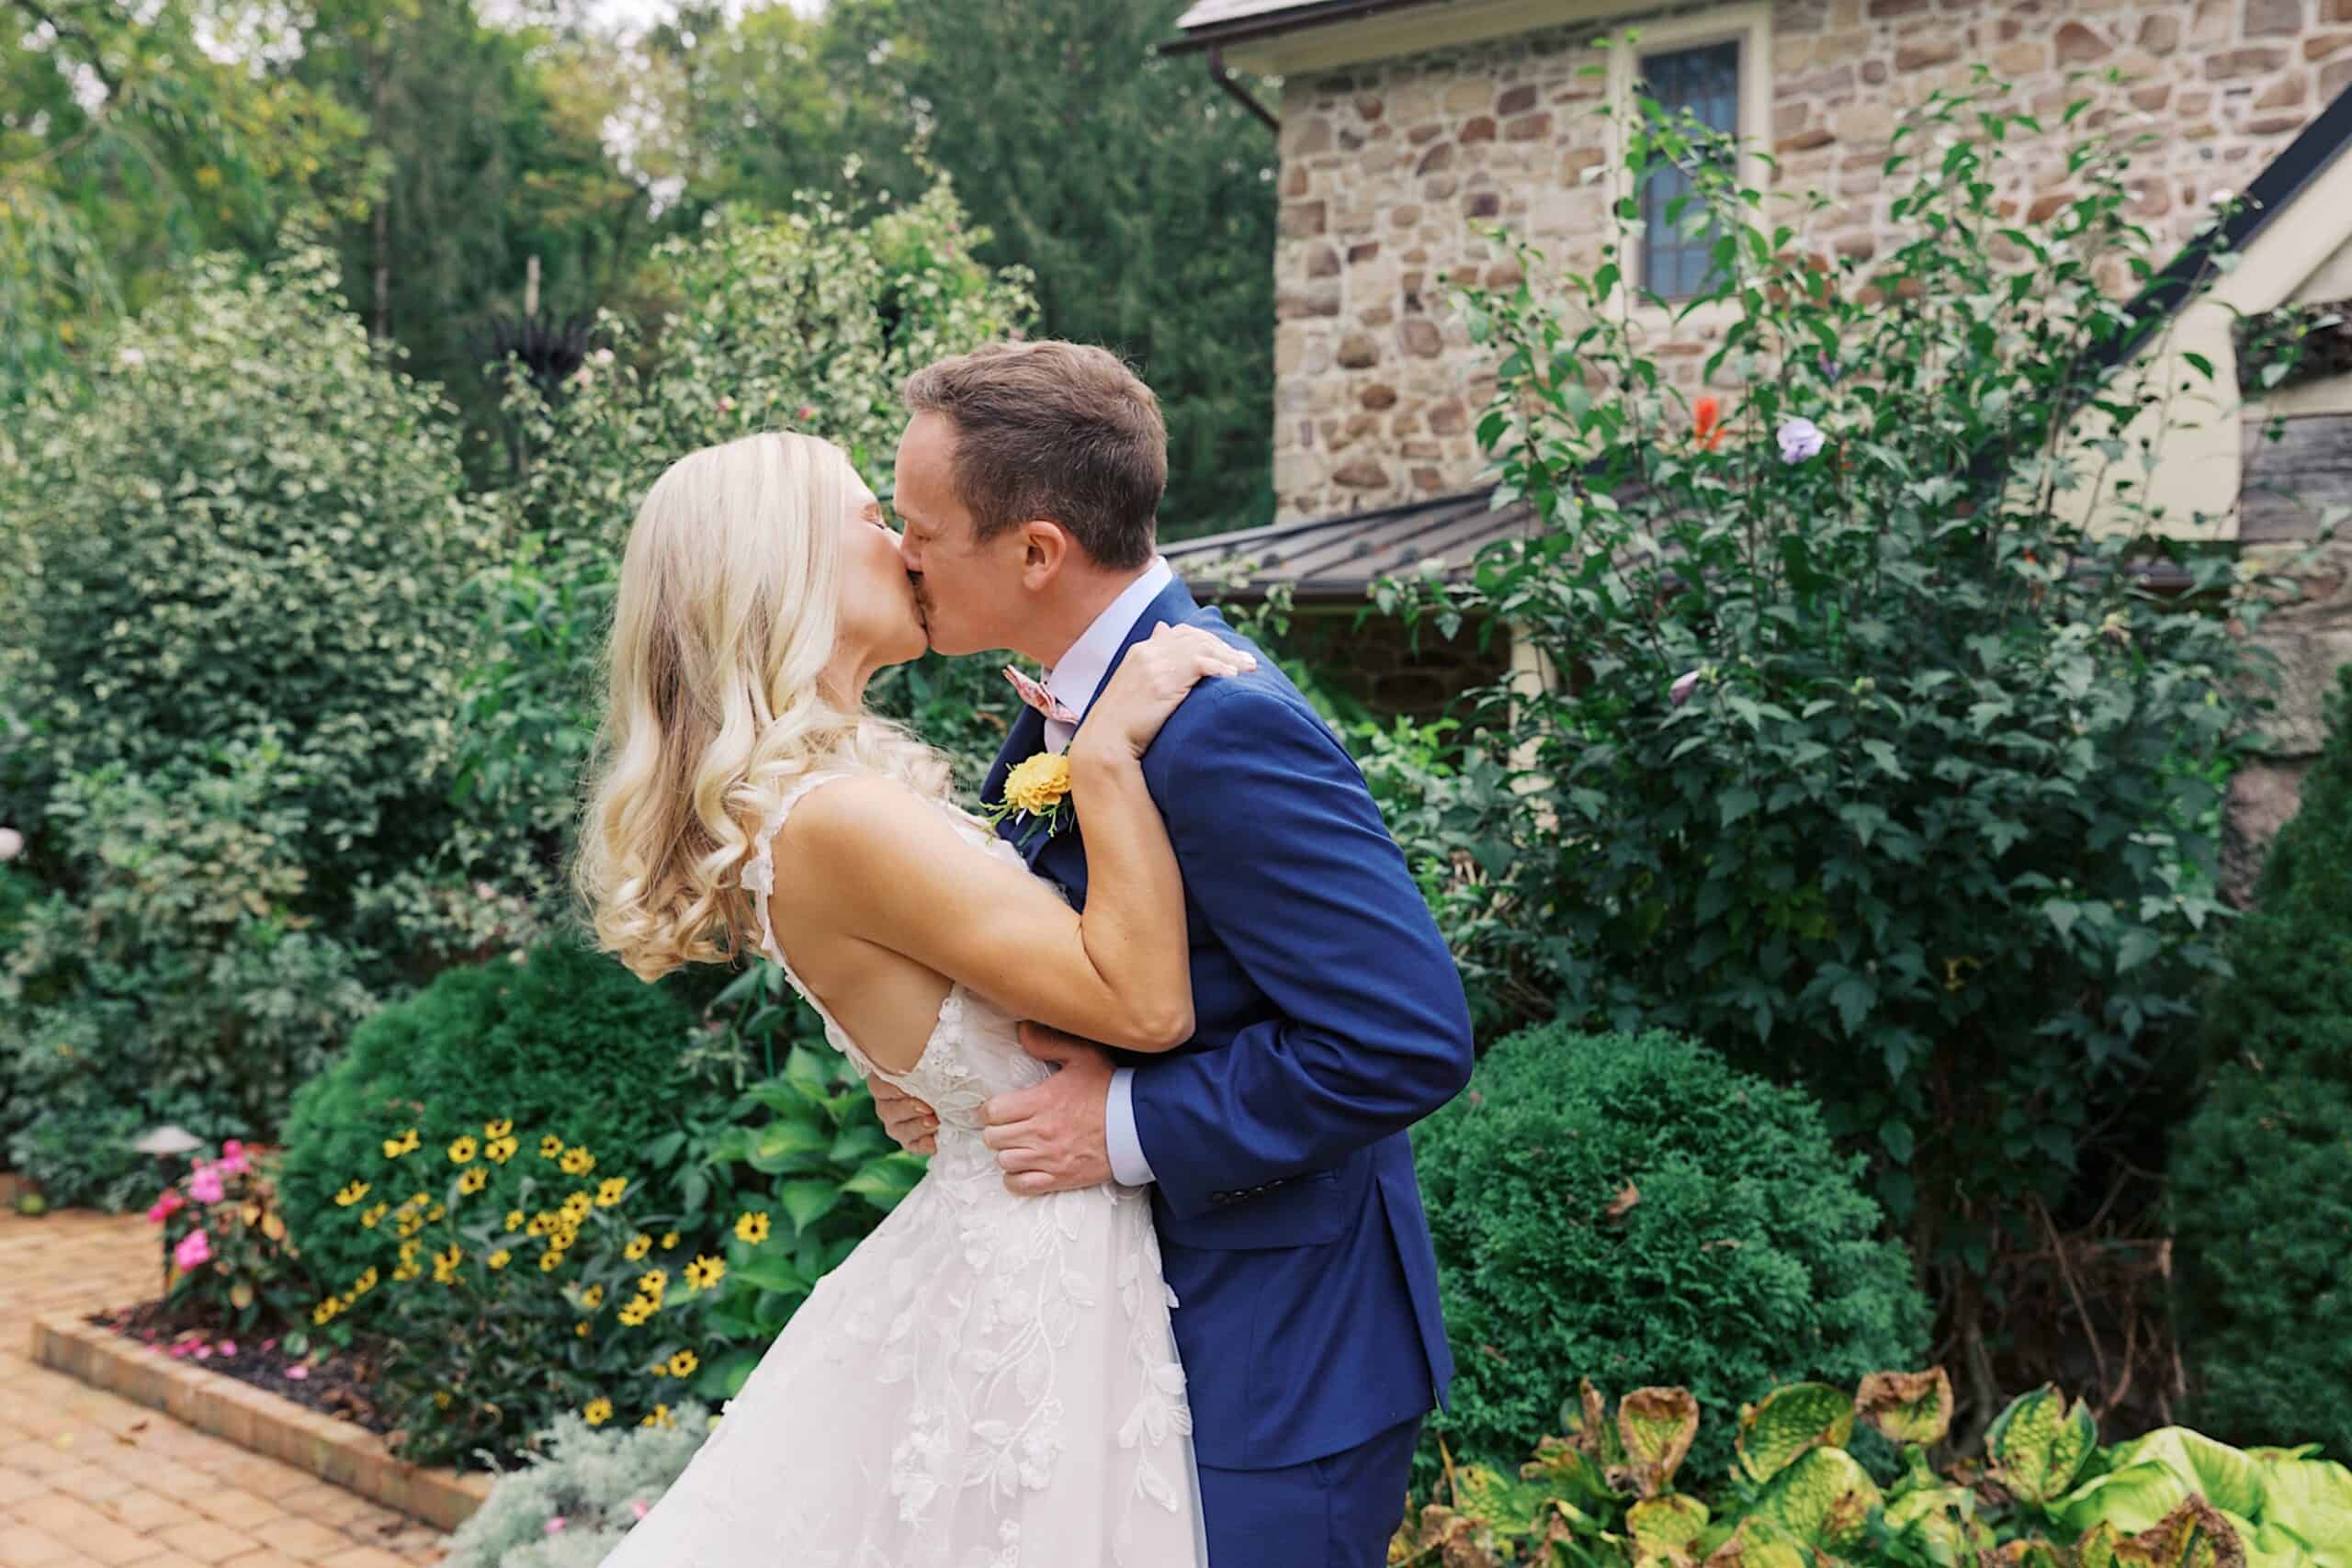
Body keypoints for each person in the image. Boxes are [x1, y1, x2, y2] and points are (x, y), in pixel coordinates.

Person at [575, 425, 1247, 1564]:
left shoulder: (822, 800)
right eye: (869, 518)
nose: (903, 540)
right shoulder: (837, 817)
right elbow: (1141, 1007)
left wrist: (928, 1079)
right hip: (1036, 1274)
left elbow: (939, 1021)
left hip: (1028, 1245)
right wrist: (1106, 762)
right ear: (785, 571)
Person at [873, 341, 1475, 1566]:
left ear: (1037, 550)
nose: (902, 553)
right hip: (1124, 1319)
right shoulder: (1070, 703)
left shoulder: (1222, 725)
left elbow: (1405, 1034)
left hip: (1277, 1361)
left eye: (920, 526)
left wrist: (1125, 1122)